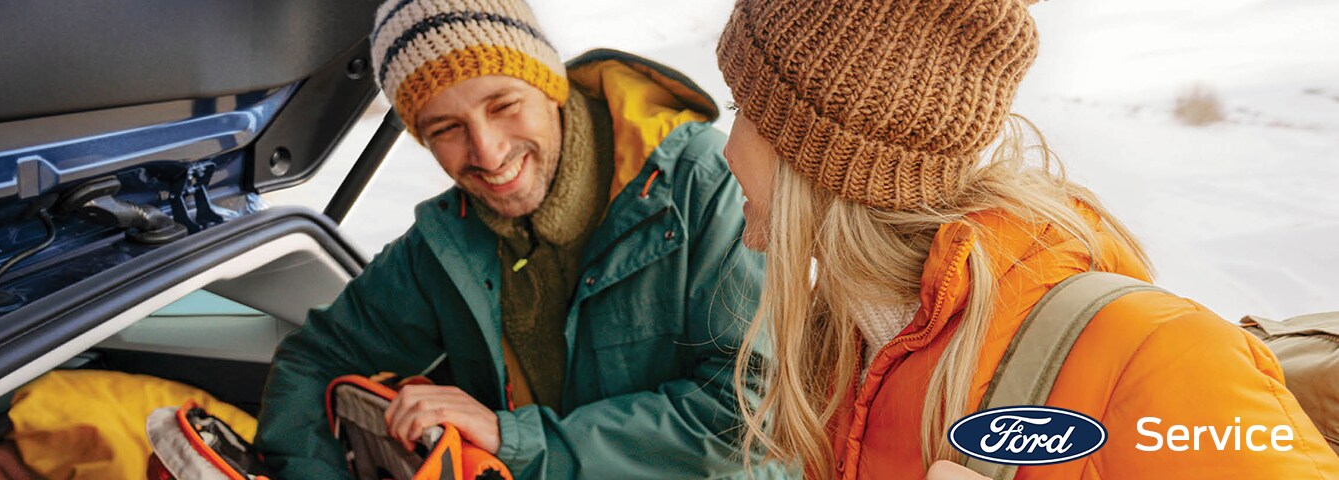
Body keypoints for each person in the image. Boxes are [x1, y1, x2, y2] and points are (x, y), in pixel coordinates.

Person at [714, 0, 1339, 478]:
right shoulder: (851, 350)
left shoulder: (1155, 354)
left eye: (742, 108)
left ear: (824, 154)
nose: (725, 151)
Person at [257, 0, 780, 478]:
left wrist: (513, 439)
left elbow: (759, 412)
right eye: (446, 129)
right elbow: (314, 361)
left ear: (550, 84)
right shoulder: (445, 241)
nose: (487, 152)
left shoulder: (702, 184)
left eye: (503, 105)